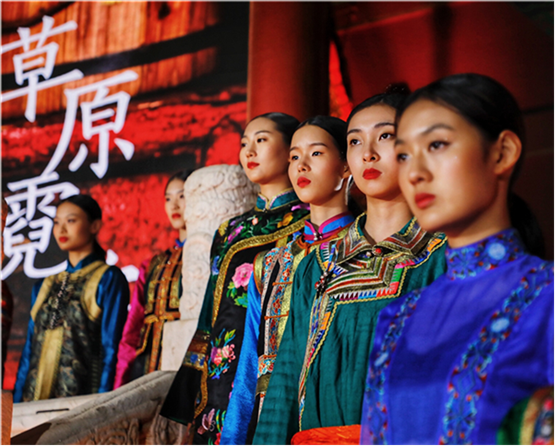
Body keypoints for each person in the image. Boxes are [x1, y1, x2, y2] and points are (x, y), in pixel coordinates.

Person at [361, 73, 554, 446]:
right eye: (403, 155)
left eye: (436, 144)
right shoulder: (397, 317)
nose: (414, 174)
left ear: (502, 153)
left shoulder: (547, 297)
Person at [253, 91, 448, 445]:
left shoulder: (442, 254)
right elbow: (285, 380)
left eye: (385, 136)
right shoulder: (316, 263)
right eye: (355, 140)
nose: (368, 153)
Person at [160, 113, 310, 444]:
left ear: (291, 150)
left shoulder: (308, 221)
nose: (249, 151)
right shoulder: (231, 229)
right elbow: (209, 313)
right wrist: (191, 387)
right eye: (244, 143)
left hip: (272, 368)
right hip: (219, 373)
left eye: (261, 140)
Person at [221, 116, 356, 446]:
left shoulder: (368, 252)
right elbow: (249, 364)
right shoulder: (270, 262)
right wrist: (233, 437)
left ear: (346, 166)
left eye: (316, 153)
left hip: (336, 419)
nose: (301, 166)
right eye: (295, 156)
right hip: (270, 419)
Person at [13, 194, 129, 402]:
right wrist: (15, 406)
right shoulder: (44, 285)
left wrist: (103, 405)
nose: (62, 229)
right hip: (32, 403)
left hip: (81, 404)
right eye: (57, 222)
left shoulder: (107, 278)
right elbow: (28, 352)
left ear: (94, 226)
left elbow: (111, 348)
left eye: (71, 221)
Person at [114, 170, 192, 388]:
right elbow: (133, 327)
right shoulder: (153, 264)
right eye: (168, 199)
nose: (174, 205)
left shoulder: (209, 255)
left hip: (186, 362)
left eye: (182, 196)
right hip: (147, 364)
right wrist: (121, 380)